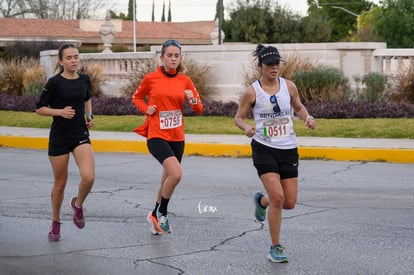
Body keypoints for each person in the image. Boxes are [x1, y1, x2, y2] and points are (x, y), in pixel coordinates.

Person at [234, 44, 317, 263]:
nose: (274, 67)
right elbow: (239, 117)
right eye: (269, 64)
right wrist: (246, 129)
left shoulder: (289, 86)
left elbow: (298, 107)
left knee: (289, 202)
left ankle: (262, 202)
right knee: (278, 198)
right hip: (264, 148)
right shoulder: (252, 91)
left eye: (277, 63)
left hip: (288, 148)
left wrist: (307, 117)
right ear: (260, 66)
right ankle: (275, 246)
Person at [132, 39, 204, 235]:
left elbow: (199, 109)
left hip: (177, 136)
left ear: (180, 58)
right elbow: (136, 97)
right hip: (156, 134)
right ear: (162, 57)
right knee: (176, 174)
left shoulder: (185, 80)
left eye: (176, 56)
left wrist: (192, 99)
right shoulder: (151, 78)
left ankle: (154, 215)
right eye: (169, 55)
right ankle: (162, 212)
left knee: (167, 178)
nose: (173, 59)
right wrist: (147, 109)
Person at [35, 43, 95, 241]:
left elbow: (87, 99)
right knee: (60, 184)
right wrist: (59, 112)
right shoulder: (54, 83)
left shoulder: (84, 80)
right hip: (59, 137)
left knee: (88, 178)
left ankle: (77, 205)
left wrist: (89, 115)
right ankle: (56, 222)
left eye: (76, 57)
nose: (73, 60)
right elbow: (39, 108)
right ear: (61, 61)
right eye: (69, 58)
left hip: (80, 134)